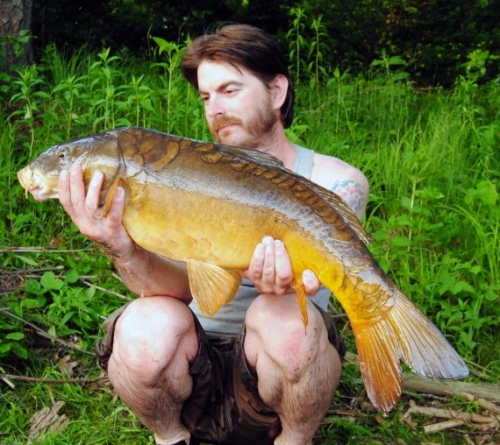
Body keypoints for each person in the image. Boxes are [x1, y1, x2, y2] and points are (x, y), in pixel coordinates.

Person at [59, 24, 369, 445]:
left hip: (276, 378)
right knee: (144, 325)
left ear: (277, 92)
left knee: (280, 319)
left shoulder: (338, 182)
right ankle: (172, 437)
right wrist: (119, 247)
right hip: (195, 371)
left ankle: (295, 439)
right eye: (206, 97)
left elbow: (312, 298)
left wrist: (281, 285)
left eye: (230, 90)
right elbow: (181, 290)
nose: (215, 109)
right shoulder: (186, 180)